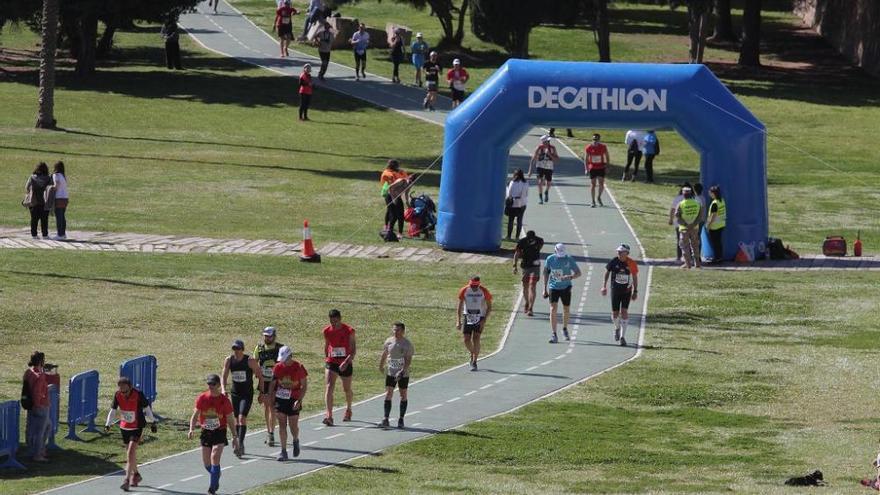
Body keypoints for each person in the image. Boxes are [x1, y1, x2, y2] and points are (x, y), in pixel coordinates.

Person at [104, 376, 158, 491]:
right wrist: (107, 424)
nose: (124, 393)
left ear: (131, 387)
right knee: (131, 455)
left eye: (126, 391)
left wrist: (152, 422)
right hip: (124, 428)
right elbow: (113, 410)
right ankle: (137, 475)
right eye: (121, 391)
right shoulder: (118, 395)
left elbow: (147, 408)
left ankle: (126, 480)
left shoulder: (138, 394)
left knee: (130, 453)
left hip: (137, 427)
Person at [188, 374, 238, 495]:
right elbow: (195, 415)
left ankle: (212, 489)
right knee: (207, 463)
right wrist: (191, 429)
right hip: (206, 432)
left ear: (218, 385)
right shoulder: (202, 398)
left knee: (215, 456)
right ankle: (216, 474)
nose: (210, 386)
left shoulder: (224, 401)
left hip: (219, 431)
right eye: (209, 384)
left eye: (213, 384)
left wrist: (235, 436)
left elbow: (230, 419)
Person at [221, 339, 264, 458]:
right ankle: (238, 441)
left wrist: (261, 393)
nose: (236, 351)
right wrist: (224, 389)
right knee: (235, 419)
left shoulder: (250, 361)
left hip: (247, 394)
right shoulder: (229, 360)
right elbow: (223, 376)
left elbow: (260, 376)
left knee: (241, 418)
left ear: (242, 349)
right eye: (234, 349)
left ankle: (240, 444)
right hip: (235, 394)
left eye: (238, 349)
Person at [269, 345, 308, 461]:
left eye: (285, 359)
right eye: (282, 360)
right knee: (281, 424)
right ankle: (283, 451)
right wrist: (271, 398)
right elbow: (272, 384)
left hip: (294, 399)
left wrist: (299, 400)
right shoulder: (277, 367)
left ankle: (295, 439)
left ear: (290, 356)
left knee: (293, 425)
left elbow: (304, 386)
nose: (283, 362)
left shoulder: (299, 367)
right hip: (280, 399)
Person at [322, 309, 356, 426]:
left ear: (340, 319)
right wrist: (327, 358)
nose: (334, 324)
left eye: (336, 321)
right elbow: (327, 346)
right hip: (332, 362)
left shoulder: (349, 331)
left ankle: (349, 409)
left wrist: (346, 362)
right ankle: (329, 415)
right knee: (329, 386)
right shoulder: (327, 331)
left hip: (345, 362)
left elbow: (353, 351)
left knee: (346, 389)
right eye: (332, 322)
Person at [600, 244, 639, 347]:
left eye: (621, 252)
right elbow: (607, 272)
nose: (619, 253)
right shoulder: (614, 261)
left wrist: (635, 291)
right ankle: (617, 327)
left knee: (624, 312)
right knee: (615, 314)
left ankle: (622, 337)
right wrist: (604, 286)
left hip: (627, 291)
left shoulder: (631, 263)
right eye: (618, 251)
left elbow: (634, 277)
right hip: (615, 290)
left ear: (627, 253)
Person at [543, 243, 581, 343]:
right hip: (553, 287)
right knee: (553, 309)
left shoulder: (569, 259)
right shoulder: (550, 259)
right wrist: (544, 288)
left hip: (566, 287)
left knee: (566, 309)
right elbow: (546, 273)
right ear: (555, 251)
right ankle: (554, 333)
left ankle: (564, 328)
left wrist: (570, 277)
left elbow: (578, 273)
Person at [378, 322, 414, 428]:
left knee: (403, 395)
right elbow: (385, 353)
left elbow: (408, 360)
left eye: (397, 330)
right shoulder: (389, 341)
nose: (395, 332)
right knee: (388, 394)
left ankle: (401, 419)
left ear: (403, 331)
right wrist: (381, 365)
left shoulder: (407, 344)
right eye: (394, 329)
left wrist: (402, 371)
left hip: (403, 374)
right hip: (391, 372)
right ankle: (386, 419)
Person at [456, 276, 492, 371]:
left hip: (480, 316)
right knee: (466, 340)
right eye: (472, 286)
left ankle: (474, 361)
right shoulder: (464, 290)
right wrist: (458, 320)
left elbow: (489, 306)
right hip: (467, 316)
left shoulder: (484, 291)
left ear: (479, 284)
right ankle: (473, 352)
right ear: (469, 283)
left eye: (475, 286)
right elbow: (459, 305)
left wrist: (484, 319)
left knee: (476, 338)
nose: (474, 288)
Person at [255, 326, 283, 447]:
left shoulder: (280, 348)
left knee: (272, 406)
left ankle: (272, 432)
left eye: (269, 335)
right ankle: (269, 432)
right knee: (267, 406)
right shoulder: (259, 348)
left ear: (274, 336)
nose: (267, 338)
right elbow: (254, 363)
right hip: (265, 381)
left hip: (277, 382)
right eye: (265, 335)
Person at [23, 351, 50, 462]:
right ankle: (38, 454)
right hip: (40, 406)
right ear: (41, 361)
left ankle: (35, 450)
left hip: (30, 405)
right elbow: (37, 392)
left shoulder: (28, 372)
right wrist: (38, 405)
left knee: (45, 426)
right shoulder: (40, 376)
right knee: (40, 431)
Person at [513, 230, 544, 317]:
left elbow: (539, 248)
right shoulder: (522, 242)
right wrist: (514, 265)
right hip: (525, 266)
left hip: (535, 266)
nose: (531, 240)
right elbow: (517, 253)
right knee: (525, 286)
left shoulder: (540, 240)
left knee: (532, 285)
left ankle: (531, 308)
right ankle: (527, 302)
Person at [380, 159, 410, 236]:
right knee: (393, 213)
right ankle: (388, 228)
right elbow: (390, 188)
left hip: (396, 195)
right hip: (389, 194)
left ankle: (395, 231)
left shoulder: (402, 174)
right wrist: (394, 199)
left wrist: (407, 201)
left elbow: (407, 189)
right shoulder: (388, 174)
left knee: (397, 213)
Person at [676, 186, 703, 269]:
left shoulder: (681, 204)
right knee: (695, 246)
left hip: (684, 229)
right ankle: (697, 263)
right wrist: (693, 224)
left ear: (683, 194)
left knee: (685, 246)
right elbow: (700, 216)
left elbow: (677, 216)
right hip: (695, 228)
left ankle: (687, 264)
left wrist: (685, 224)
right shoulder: (697, 203)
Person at [528, 134, 558, 205]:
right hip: (540, 166)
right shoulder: (539, 148)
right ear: (544, 142)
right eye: (547, 141)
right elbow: (533, 159)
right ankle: (540, 198)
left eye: (549, 141)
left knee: (549, 182)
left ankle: (546, 191)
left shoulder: (553, 148)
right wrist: (530, 170)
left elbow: (557, 159)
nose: (548, 142)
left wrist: (550, 154)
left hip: (549, 167)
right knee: (540, 182)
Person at [25, 162, 51, 239]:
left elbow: (26, 187)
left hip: (34, 201)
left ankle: (34, 235)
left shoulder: (32, 177)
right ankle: (45, 235)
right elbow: (51, 189)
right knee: (44, 220)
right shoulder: (48, 178)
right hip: (45, 202)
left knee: (34, 219)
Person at [584, 133, 609, 208]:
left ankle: (598, 197)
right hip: (592, 168)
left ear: (599, 140)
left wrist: (607, 167)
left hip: (601, 167)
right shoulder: (588, 147)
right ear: (592, 139)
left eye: (596, 139)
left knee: (601, 184)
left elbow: (607, 157)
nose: (595, 141)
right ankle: (593, 201)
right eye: (594, 139)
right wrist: (586, 168)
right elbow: (586, 159)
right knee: (593, 184)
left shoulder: (603, 147)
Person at [667, 182, 691, 262]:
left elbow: (673, 209)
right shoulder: (694, 198)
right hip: (691, 223)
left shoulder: (678, 198)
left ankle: (679, 256)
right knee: (689, 240)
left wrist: (671, 219)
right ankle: (689, 257)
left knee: (680, 240)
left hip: (679, 223)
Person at [505, 169, 528, 240]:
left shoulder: (512, 182)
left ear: (514, 175)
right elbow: (525, 194)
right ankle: (517, 237)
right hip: (522, 204)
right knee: (519, 220)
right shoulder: (525, 183)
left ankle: (508, 236)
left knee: (511, 220)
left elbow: (509, 193)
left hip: (513, 204)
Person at [706, 185, 726, 263]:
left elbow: (713, 216)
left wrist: (708, 226)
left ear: (713, 193)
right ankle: (719, 257)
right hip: (721, 224)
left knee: (715, 243)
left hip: (714, 226)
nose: (709, 193)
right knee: (718, 243)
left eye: (710, 192)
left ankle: (716, 258)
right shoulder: (722, 200)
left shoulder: (714, 203)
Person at [50, 161, 68, 240]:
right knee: (62, 216)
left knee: (59, 217)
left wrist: (50, 188)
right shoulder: (63, 176)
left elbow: (56, 186)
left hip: (59, 198)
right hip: (65, 198)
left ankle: (60, 234)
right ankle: (63, 233)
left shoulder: (56, 175)